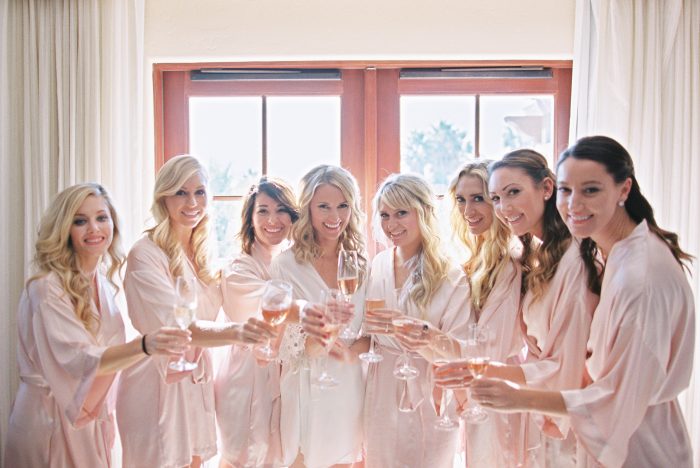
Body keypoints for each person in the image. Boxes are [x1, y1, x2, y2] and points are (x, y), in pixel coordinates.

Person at [465, 136, 695, 468]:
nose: (573, 205)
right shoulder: (610, 252)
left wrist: (518, 398)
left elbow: (618, 397)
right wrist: (498, 371)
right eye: (567, 191)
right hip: (611, 438)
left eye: (591, 190)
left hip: (639, 446)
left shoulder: (640, 278)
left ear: (624, 190)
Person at [4, 183, 190, 467]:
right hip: (50, 418)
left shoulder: (102, 283)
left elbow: (110, 355)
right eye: (80, 221)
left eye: (102, 218)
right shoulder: (46, 289)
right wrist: (144, 346)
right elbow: (80, 359)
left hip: (89, 415)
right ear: (64, 228)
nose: (94, 229)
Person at [116, 155, 275, 468]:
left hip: (196, 378)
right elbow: (178, 328)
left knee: (195, 460)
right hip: (157, 380)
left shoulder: (203, 252)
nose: (192, 202)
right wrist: (238, 332)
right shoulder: (144, 254)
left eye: (199, 192)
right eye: (180, 192)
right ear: (163, 198)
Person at [481, 149, 600, 465]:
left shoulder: (577, 260)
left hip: (572, 417)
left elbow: (571, 362)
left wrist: (504, 376)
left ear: (547, 188)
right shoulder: (537, 256)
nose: (504, 208)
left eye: (513, 193)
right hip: (543, 406)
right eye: (495, 198)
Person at [362, 173, 470, 468]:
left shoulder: (450, 274)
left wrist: (421, 333)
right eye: (384, 215)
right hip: (382, 384)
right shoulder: (379, 263)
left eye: (401, 213)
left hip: (427, 385)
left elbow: (459, 349)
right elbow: (368, 330)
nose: (391, 225)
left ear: (423, 212)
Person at [270, 164, 368, 468]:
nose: (334, 217)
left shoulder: (360, 265)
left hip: (348, 383)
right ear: (308, 208)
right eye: (323, 206)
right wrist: (317, 339)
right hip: (305, 385)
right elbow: (282, 345)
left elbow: (370, 334)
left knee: (346, 459)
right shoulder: (285, 265)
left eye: (343, 206)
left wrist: (353, 351)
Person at [215, 176, 299, 468]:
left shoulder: (292, 264)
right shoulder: (237, 268)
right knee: (240, 455)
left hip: (283, 375)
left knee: (277, 456)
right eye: (263, 210)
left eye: (281, 210)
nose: (272, 219)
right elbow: (270, 308)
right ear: (250, 218)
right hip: (245, 377)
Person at [447, 161, 525, 467]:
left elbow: (493, 343)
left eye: (478, 198)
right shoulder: (473, 259)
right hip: (477, 385)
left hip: (500, 385)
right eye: (461, 200)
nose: (468, 210)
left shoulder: (510, 262)